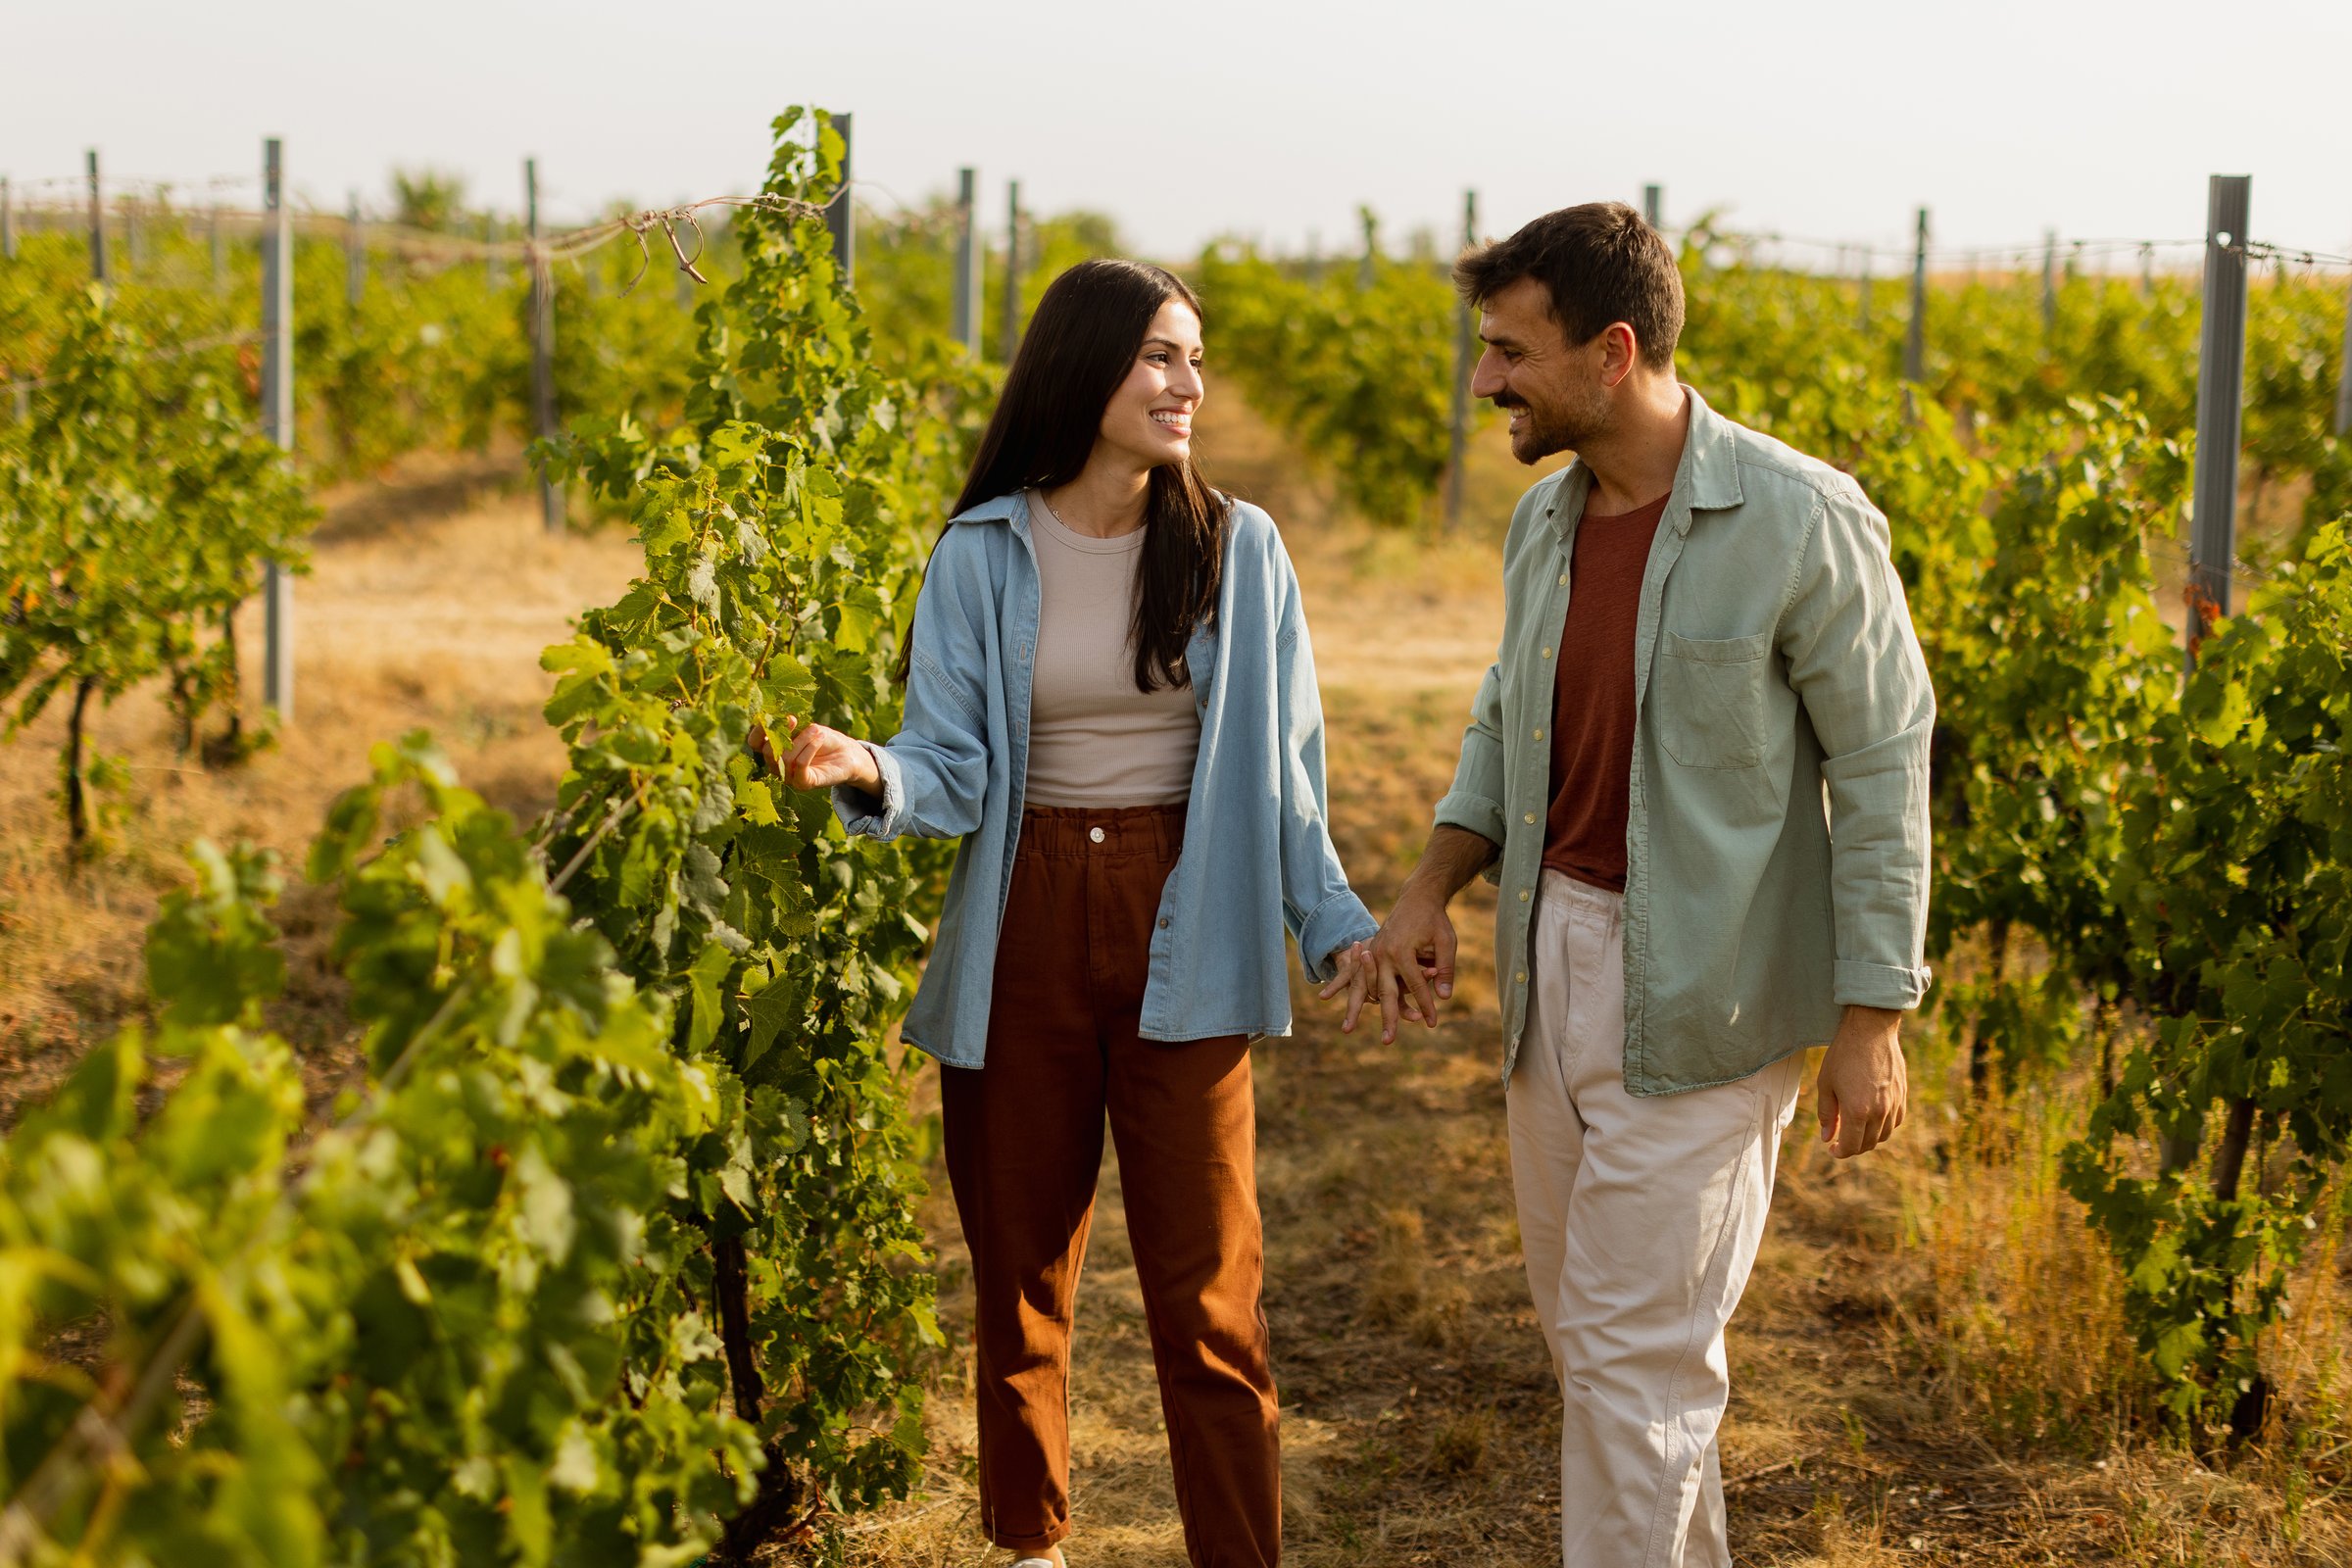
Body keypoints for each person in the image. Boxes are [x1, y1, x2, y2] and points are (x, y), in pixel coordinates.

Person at [763, 257, 1380, 1568]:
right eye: (1161, 355)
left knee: (1212, 1298)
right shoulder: (985, 551)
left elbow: (1285, 775)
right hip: (1025, 923)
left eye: (1194, 360)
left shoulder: (1238, 549)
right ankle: (1030, 1550)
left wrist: (1337, 925)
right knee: (1021, 1282)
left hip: (1187, 917)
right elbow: (954, 761)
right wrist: (871, 767)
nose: (1186, 384)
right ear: (1085, 364)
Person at [1347, 204, 1933, 1566]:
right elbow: (1507, 720)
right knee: (1611, 1364)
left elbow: (1886, 767)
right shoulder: (1542, 525)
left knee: (1632, 1367)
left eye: (1509, 352)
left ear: (1613, 353)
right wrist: (1434, 885)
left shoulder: (1802, 521)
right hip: (1550, 980)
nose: (1484, 381)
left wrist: (1873, 1016)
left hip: (1714, 998)